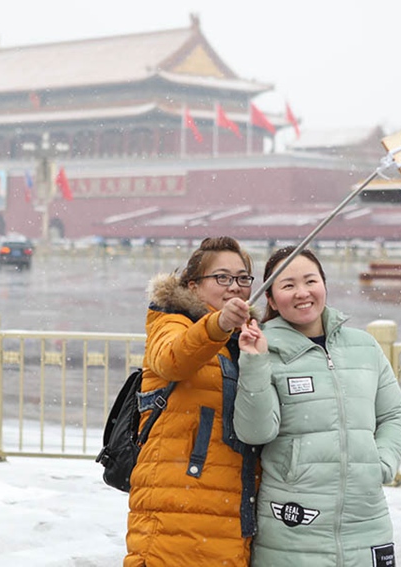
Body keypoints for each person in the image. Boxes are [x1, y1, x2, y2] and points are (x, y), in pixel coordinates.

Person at [234, 246, 401, 567]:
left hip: (366, 520)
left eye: (310, 281)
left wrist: (380, 463)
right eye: (288, 285)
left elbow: (395, 415)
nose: (302, 293)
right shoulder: (263, 347)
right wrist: (254, 362)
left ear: (324, 285)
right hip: (293, 524)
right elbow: (256, 431)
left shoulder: (363, 346)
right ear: (271, 300)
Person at [124, 236, 261, 567]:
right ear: (193, 285)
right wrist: (218, 324)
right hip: (176, 513)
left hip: (230, 514)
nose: (235, 287)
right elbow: (174, 359)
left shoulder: (246, 337)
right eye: (222, 278)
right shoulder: (171, 322)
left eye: (243, 278)